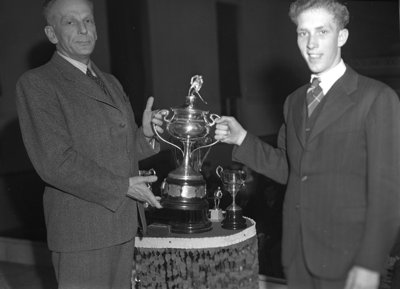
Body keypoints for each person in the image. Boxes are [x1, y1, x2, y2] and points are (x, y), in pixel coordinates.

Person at [215, 0, 400, 288]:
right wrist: (242, 138)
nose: (311, 44)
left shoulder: (376, 98)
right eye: (303, 33)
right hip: (297, 255)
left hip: (349, 260)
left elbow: (388, 193)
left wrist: (369, 263)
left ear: (342, 36)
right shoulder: (295, 101)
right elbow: (291, 169)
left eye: (322, 32)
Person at [16, 0, 164, 288]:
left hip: (123, 223)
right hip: (82, 232)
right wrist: (121, 186)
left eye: (89, 20)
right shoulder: (38, 83)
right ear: (52, 34)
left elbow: (118, 150)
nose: (83, 29)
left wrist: (145, 135)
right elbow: (55, 162)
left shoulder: (109, 81)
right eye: (70, 22)